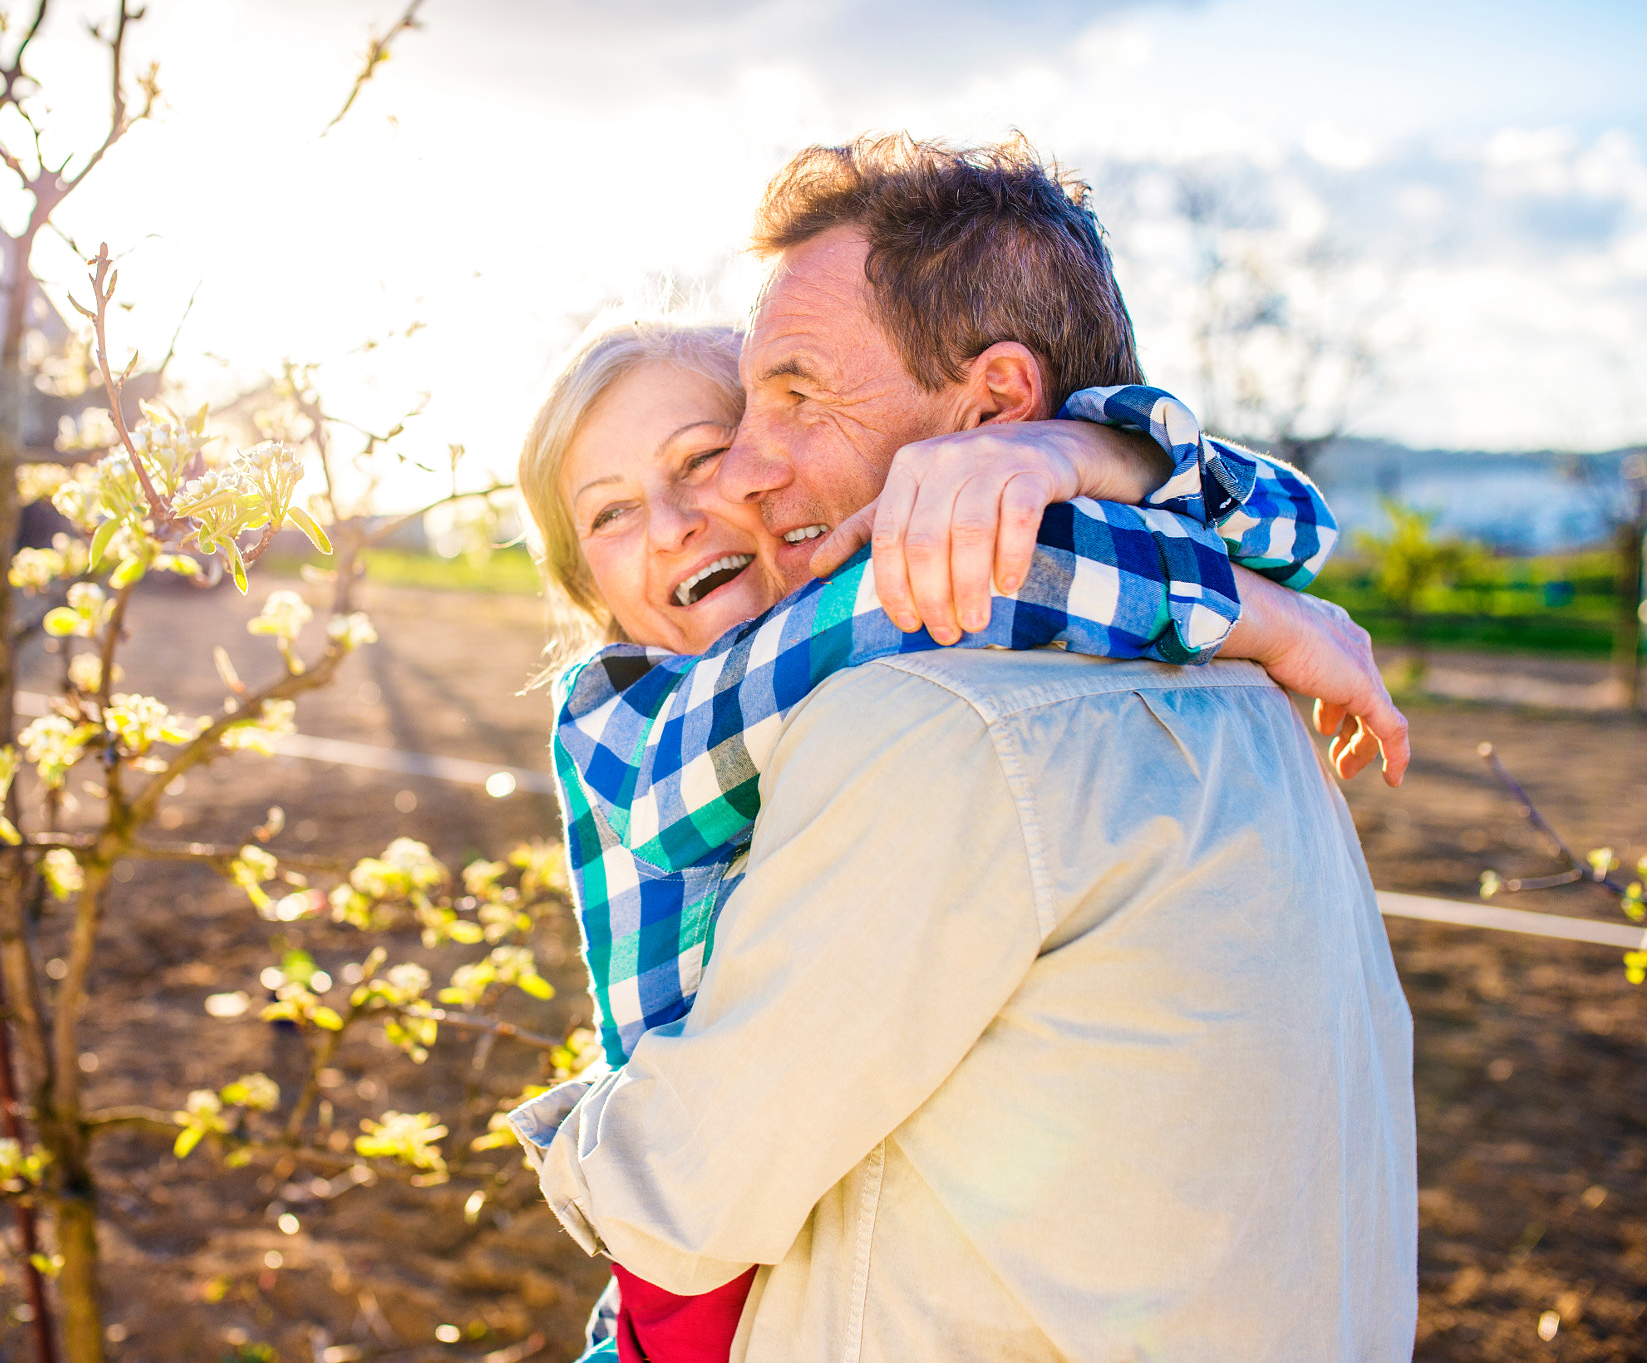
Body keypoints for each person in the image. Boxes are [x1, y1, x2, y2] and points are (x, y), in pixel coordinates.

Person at [515, 135, 1416, 1362]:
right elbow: (1232, 529)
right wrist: (1240, 588)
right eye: (610, 512)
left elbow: (682, 1200)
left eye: (790, 398)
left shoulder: (929, 721)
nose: (738, 478)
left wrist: (1083, 459)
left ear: (992, 402)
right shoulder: (1240, 690)